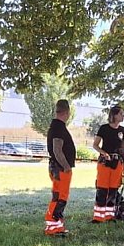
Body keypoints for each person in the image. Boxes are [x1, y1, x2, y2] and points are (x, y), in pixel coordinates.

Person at [44, 100, 75, 236]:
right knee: (61, 197)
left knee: (58, 196)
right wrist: (66, 166)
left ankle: (56, 225)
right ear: (67, 112)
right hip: (61, 168)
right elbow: (57, 150)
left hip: (56, 167)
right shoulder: (59, 128)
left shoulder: (55, 126)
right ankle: (53, 227)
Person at [92, 105, 124, 222]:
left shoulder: (123, 130)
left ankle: (109, 216)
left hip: (118, 162)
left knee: (113, 189)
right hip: (105, 162)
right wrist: (104, 153)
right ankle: (98, 216)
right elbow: (95, 145)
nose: (123, 115)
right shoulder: (104, 128)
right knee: (102, 188)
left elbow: (123, 149)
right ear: (114, 115)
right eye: (121, 113)